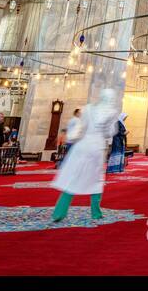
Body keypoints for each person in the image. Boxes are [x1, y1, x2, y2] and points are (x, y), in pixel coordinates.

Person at [51, 89, 118, 222]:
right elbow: (109, 132)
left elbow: (80, 128)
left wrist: (69, 137)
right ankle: (96, 213)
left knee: (73, 177)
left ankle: (59, 212)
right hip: (97, 147)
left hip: (82, 145)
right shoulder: (111, 113)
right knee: (96, 179)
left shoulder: (87, 109)